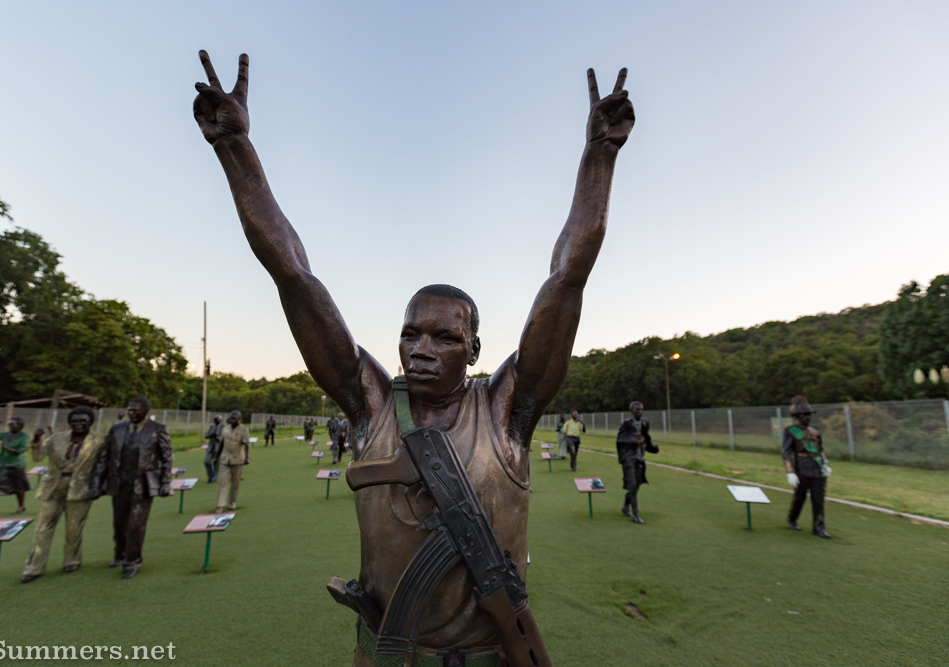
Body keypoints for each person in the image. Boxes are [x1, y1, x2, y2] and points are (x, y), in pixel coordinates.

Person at [195, 50, 634, 664]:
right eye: (410, 335)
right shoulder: (370, 402)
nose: (420, 350)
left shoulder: (508, 411)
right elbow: (293, 273)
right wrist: (235, 149)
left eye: (444, 338)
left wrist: (600, 157)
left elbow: (568, 276)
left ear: (474, 350)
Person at [20, 407, 107, 583]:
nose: (79, 424)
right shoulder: (56, 438)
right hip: (53, 487)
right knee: (42, 527)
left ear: (91, 422)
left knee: (74, 527)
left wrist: (101, 486)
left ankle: (71, 560)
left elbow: (106, 463)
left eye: (83, 421)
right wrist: (36, 440)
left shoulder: (100, 440)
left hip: (80, 488)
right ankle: (34, 567)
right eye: (74, 421)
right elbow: (38, 457)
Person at [93, 397, 173, 579]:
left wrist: (165, 482)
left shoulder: (157, 429)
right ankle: (120, 555)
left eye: (136, 411)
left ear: (145, 411)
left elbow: (167, 457)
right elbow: (104, 458)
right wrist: (97, 483)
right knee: (119, 523)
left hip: (142, 483)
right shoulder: (116, 429)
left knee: (136, 524)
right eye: (130, 410)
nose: (132, 413)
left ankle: (133, 561)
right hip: (119, 482)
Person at [782, 396, 832, 538]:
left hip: (816, 468)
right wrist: (790, 472)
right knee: (800, 497)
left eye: (809, 414)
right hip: (801, 467)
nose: (807, 417)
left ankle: (819, 527)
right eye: (804, 414)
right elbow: (786, 452)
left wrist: (825, 464)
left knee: (818, 498)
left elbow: (820, 449)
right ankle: (792, 519)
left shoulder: (815, 431)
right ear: (797, 416)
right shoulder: (790, 431)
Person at [616, 401, 658, 524]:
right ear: (632, 411)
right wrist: (634, 440)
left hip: (640, 457)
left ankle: (625, 505)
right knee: (632, 485)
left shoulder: (645, 423)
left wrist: (652, 447)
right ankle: (635, 514)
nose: (640, 411)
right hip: (629, 457)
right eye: (637, 409)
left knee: (637, 485)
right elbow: (620, 440)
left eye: (641, 409)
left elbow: (645, 438)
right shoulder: (627, 424)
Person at [216, 410, 250, 513]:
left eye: (234, 418)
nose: (232, 420)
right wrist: (217, 456)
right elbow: (222, 443)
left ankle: (232, 502)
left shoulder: (244, 429)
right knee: (223, 482)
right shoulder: (225, 429)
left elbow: (246, 444)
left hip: (237, 458)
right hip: (225, 458)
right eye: (231, 418)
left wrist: (247, 458)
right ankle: (220, 505)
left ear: (239, 419)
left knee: (235, 482)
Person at [204, 415, 224, 483]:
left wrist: (219, 438)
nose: (215, 421)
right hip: (210, 448)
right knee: (206, 462)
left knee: (216, 464)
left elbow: (226, 438)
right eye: (214, 419)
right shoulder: (211, 427)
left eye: (217, 419)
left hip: (218, 448)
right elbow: (206, 436)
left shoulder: (224, 428)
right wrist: (211, 435)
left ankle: (214, 479)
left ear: (220, 420)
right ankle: (210, 476)